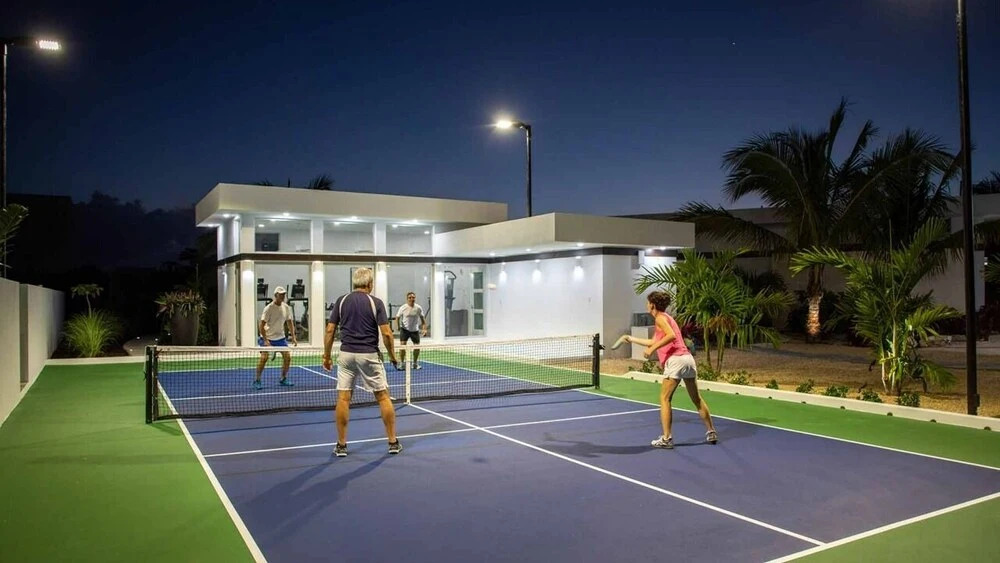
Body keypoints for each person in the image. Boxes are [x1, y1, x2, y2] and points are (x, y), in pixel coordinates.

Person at [322, 267, 402, 457]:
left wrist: (326, 356)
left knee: (343, 398)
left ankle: (341, 445)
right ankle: (393, 442)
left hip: (346, 355)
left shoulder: (341, 301)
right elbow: (387, 334)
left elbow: (330, 330)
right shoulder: (376, 303)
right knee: (383, 397)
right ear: (369, 284)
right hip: (369, 355)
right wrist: (392, 356)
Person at [622, 291, 718, 449]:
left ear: (652, 305)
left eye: (648, 302)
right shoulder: (666, 318)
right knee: (696, 399)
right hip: (687, 359)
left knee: (665, 398)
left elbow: (671, 336)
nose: (647, 305)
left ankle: (666, 438)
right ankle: (711, 431)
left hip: (675, 361)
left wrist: (652, 349)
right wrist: (631, 339)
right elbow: (654, 340)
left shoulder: (660, 318)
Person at [253, 286, 297, 390]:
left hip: (280, 338)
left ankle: (283, 378)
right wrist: (265, 340)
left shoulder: (286, 307)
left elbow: (289, 322)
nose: (283, 296)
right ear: (276, 295)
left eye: (284, 294)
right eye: (281, 294)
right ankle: (257, 380)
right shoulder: (269, 308)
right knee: (264, 358)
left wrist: (293, 337)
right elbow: (261, 325)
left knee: (287, 357)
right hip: (267, 337)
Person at [395, 291, 427, 369]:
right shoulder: (403, 307)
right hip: (404, 330)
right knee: (403, 347)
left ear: (415, 298)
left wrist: (424, 329)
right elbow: (397, 317)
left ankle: (415, 364)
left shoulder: (418, 308)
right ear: (407, 299)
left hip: (414, 330)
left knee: (417, 347)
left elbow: (423, 319)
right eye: (410, 298)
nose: (412, 299)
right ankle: (402, 364)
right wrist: (398, 326)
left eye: (413, 297)